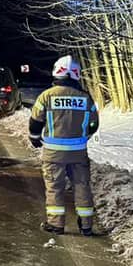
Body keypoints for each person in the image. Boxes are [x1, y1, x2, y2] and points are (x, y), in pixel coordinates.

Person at [28, 55, 100, 235]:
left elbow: (36, 121)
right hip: (78, 152)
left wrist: (35, 137)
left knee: (54, 187)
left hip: (53, 153)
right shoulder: (85, 98)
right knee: (82, 186)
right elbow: (94, 123)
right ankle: (86, 225)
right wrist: (84, 135)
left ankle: (56, 224)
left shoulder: (47, 96)